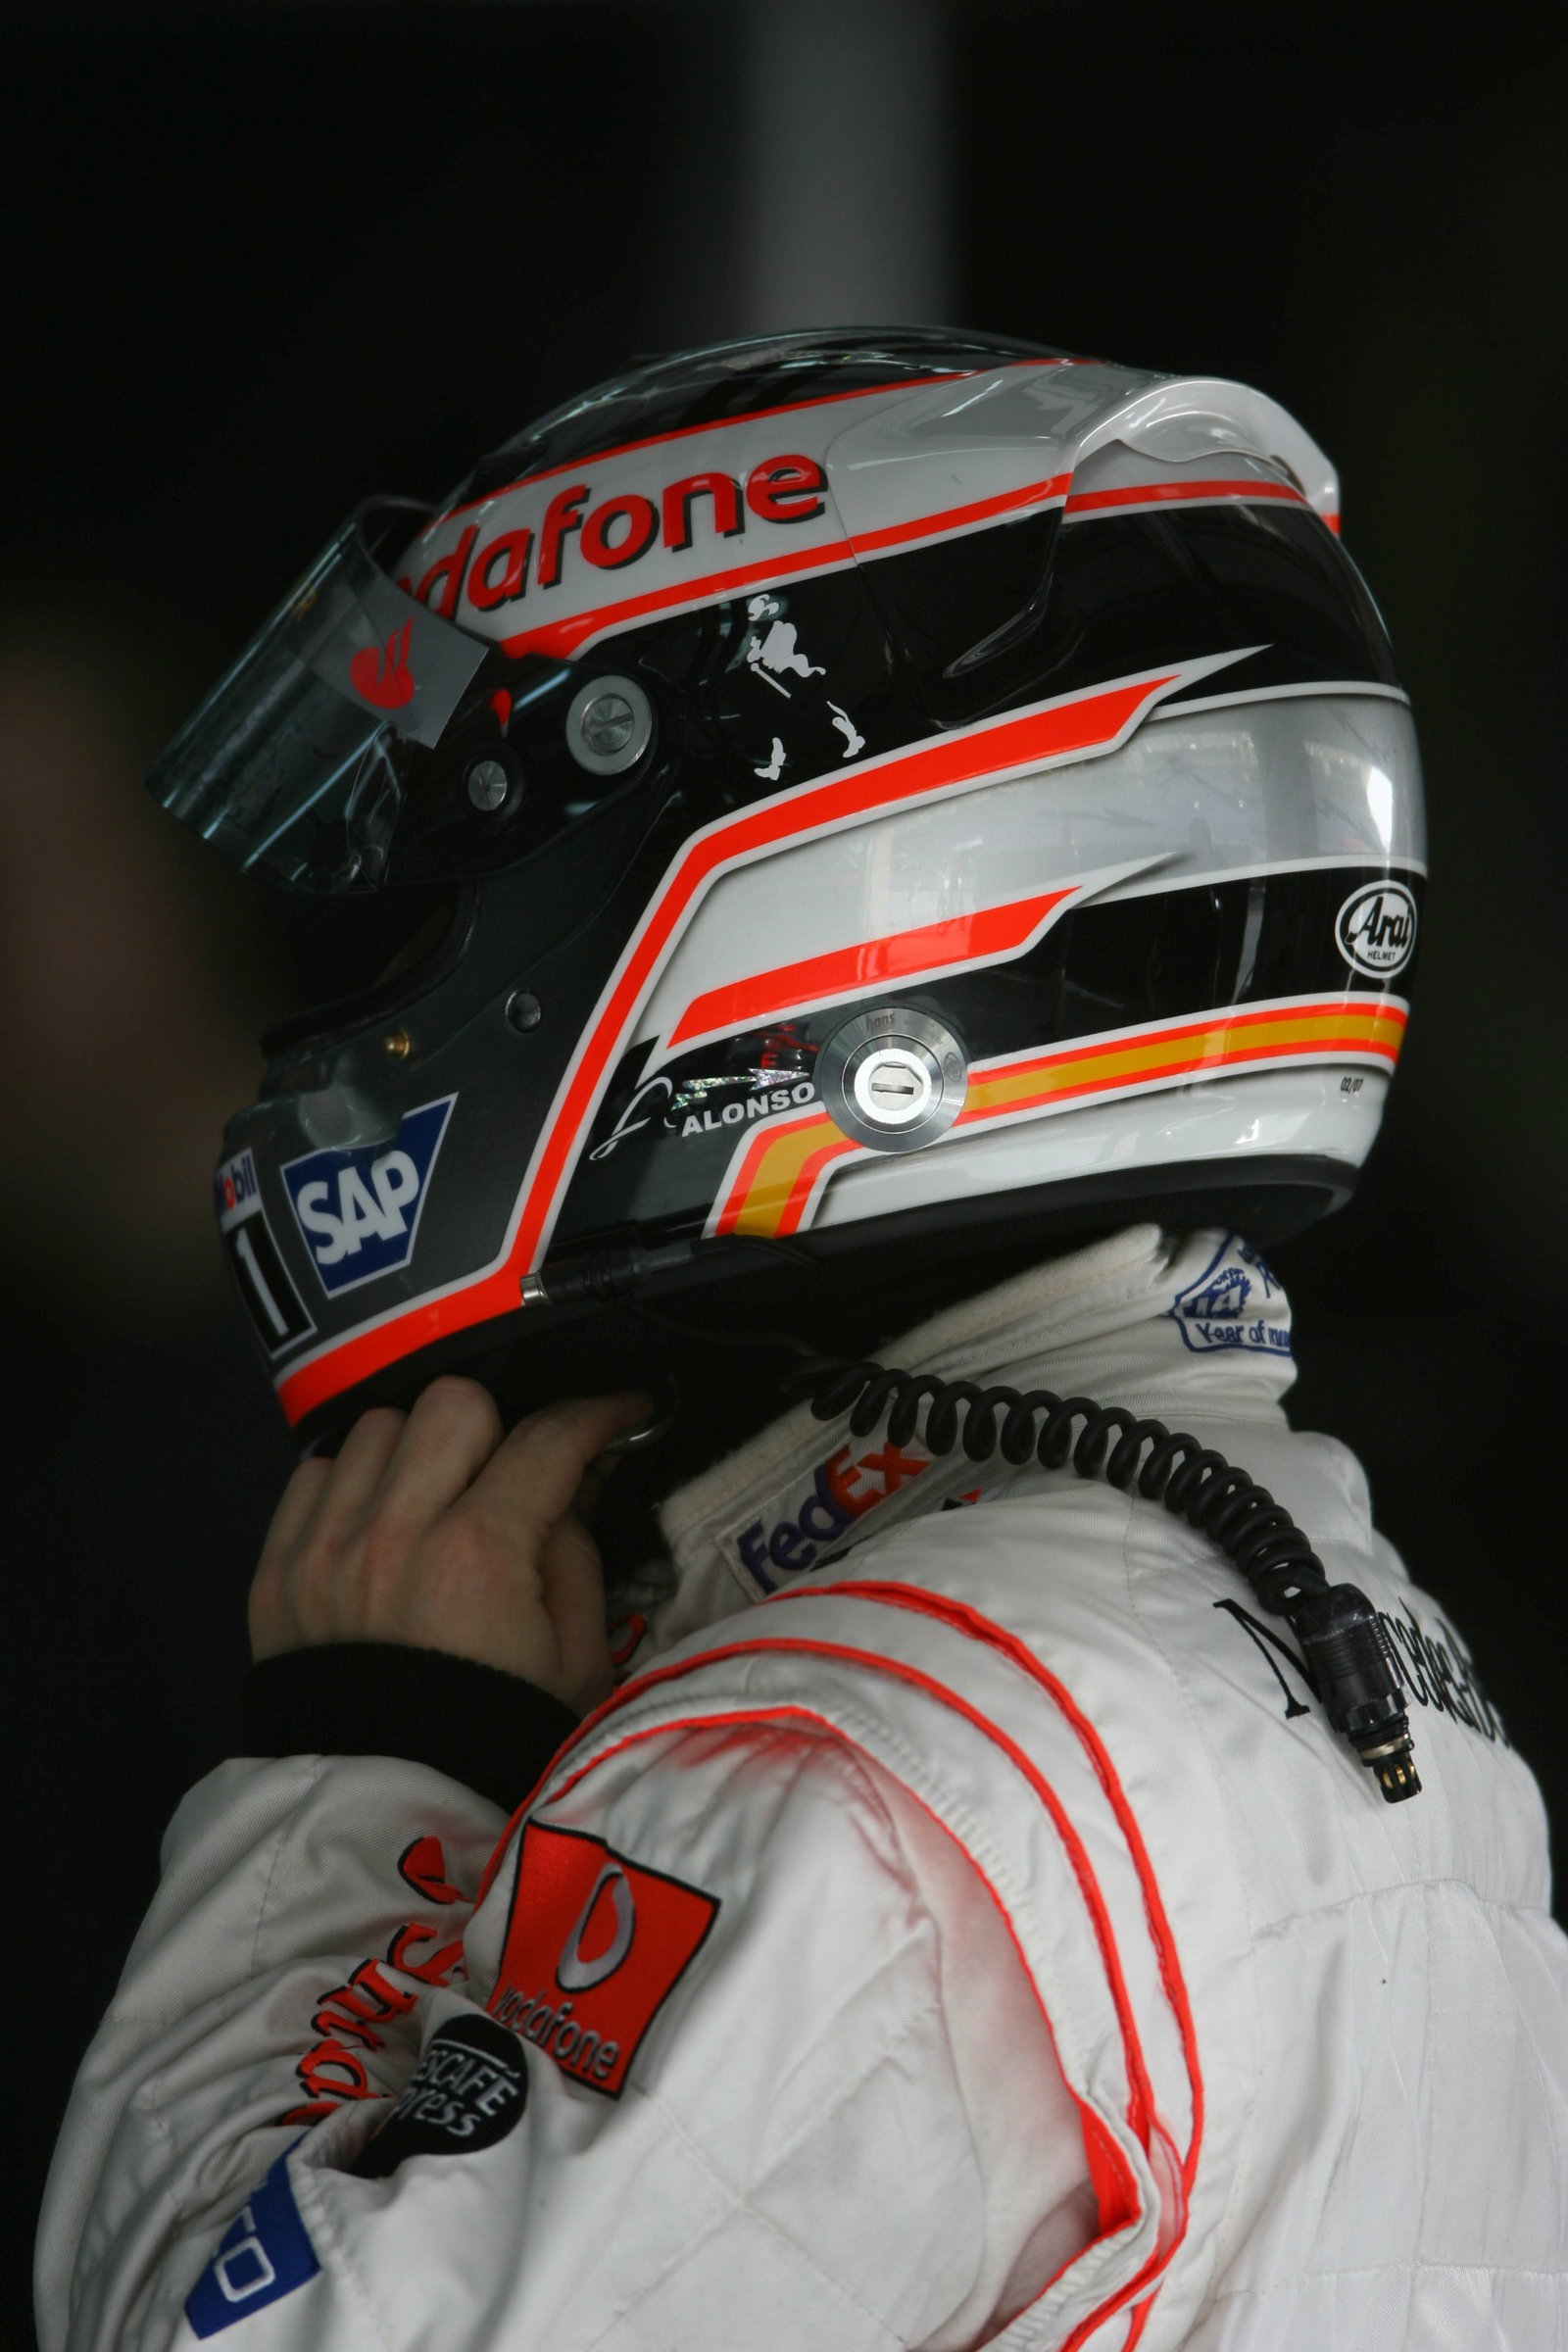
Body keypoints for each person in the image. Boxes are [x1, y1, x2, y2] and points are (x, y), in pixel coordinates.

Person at [37, 329, 1568, 2350]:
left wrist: (360, 1776)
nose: (374, 1011)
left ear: (802, 905)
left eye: (455, 907)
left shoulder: (881, 1755)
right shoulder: (1343, 1657)